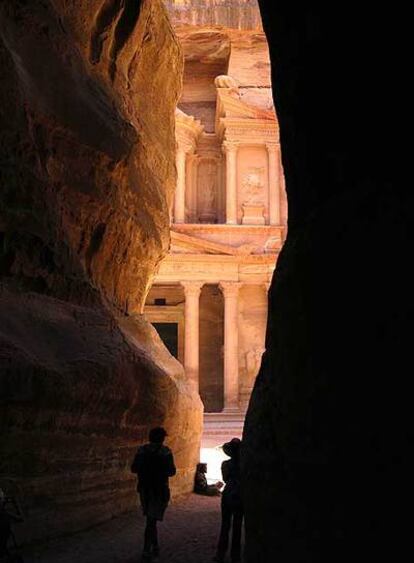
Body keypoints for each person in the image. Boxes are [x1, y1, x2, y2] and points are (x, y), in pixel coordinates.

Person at [131, 427, 176, 561]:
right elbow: (172, 471)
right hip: (159, 489)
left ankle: (155, 546)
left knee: (151, 519)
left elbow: (134, 468)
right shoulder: (166, 452)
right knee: (152, 520)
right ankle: (146, 550)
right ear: (162, 438)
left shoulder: (141, 450)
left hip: (144, 488)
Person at [213, 438, 243, 563]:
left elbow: (225, 479)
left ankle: (220, 554)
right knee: (237, 526)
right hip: (240, 494)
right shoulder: (244, 465)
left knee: (225, 525)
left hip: (228, 493)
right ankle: (235, 556)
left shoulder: (226, 464)